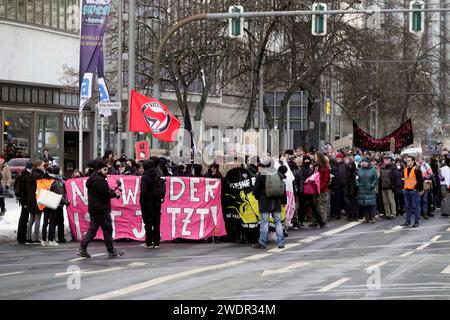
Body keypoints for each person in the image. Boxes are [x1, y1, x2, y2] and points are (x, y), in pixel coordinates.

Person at [77, 160, 124, 258]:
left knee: (92, 230)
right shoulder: (100, 180)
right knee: (107, 230)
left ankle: (82, 248)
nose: (107, 171)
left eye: (107, 169)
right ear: (99, 170)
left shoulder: (93, 178)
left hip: (94, 209)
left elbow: (104, 191)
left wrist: (112, 192)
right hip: (102, 209)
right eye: (104, 169)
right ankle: (111, 250)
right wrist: (115, 194)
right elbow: (105, 193)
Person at [252, 158, 286, 249]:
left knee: (264, 222)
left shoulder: (261, 174)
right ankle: (281, 243)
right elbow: (283, 188)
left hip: (264, 201)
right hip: (277, 201)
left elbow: (256, 189)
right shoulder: (278, 174)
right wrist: (284, 201)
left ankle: (262, 242)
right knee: (278, 222)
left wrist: (257, 197)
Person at [140, 157, 166, 249]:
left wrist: (142, 201)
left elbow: (143, 191)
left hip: (147, 203)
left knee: (148, 223)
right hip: (157, 202)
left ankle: (149, 242)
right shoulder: (158, 174)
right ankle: (157, 242)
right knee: (156, 223)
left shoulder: (145, 176)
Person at [26, 161, 52, 243]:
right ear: (38, 166)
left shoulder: (31, 174)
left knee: (31, 219)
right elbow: (48, 178)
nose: (43, 166)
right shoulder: (40, 175)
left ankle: (28, 237)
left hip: (30, 199)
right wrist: (45, 171)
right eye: (42, 165)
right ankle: (36, 238)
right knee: (38, 219)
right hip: (38, 198)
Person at [401, 156, 423, 228]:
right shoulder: (405, 169)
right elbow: (402, 179)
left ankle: (416, 222)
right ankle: (408, 221)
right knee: (408, 207)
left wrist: (415, 188)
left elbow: (420, 180)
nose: (408, 162)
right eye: (407, 160)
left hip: (413, 190)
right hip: (406, 190)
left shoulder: (416, 169)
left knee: (415, 206)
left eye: (409, 160)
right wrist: (403, 188)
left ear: (413, 161)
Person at [356, 158, 379, 223]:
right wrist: (358, 184)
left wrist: (372, 185)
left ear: (368, 163)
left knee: (371, 204)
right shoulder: (359, 170)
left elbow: (375, 178)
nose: (364, 163)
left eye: (366, 162)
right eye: (363, 162)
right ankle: (366, 217)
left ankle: (372, 217)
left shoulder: (373, 170)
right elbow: (357, 178)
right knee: (364, 204)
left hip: (370, 189)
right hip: (362, 190)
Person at [15, 161, 33, 243]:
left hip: (24, 201)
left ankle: (21, 237)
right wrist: (24, 203)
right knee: (24, 219)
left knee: (23, 219)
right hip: (25, 201)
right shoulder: (25, 176)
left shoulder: (23, 174)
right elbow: (23, 191)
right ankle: (21, 238)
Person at [379, 153, 397, 220]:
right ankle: (387, 214)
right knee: (385, 201)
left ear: (389, 160)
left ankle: (393, 213)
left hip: (390, 186)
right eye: (385, 159)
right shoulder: (382, 167)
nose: (385, 160)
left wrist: (393, 185)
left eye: (387, 159)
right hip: (383, 186)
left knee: (391, 201)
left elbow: (395, 177)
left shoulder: (393, 167)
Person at [0, 154, 12, 218]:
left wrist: (7, 185)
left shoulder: (7, 167)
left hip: (2, 186)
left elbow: (9, 178)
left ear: (4, 160)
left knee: (1, 199)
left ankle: (2, 210)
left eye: (2, 159)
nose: (0, 161)